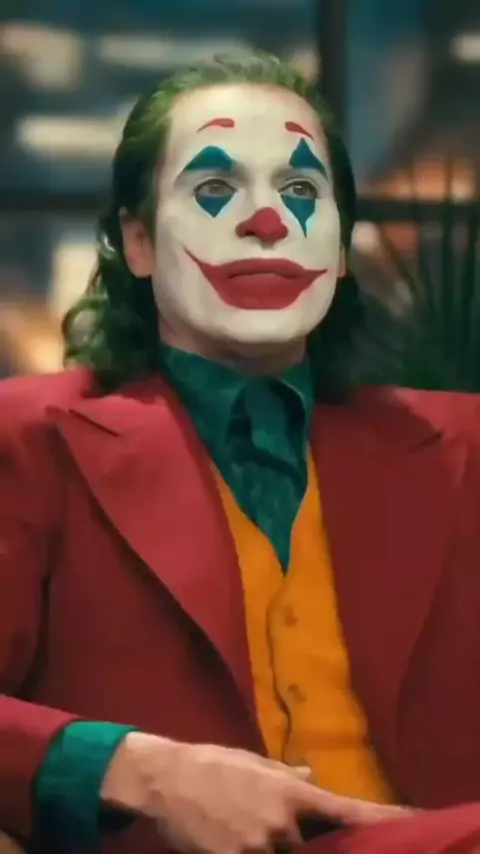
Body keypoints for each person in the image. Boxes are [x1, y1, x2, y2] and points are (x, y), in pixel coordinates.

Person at [1, 53, 480, 854]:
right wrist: (142, 771)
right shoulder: (29, 439)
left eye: (301, 192)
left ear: (338, 247)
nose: (267, 221)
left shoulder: (462, 448)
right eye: (216, 188)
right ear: (139, 241)